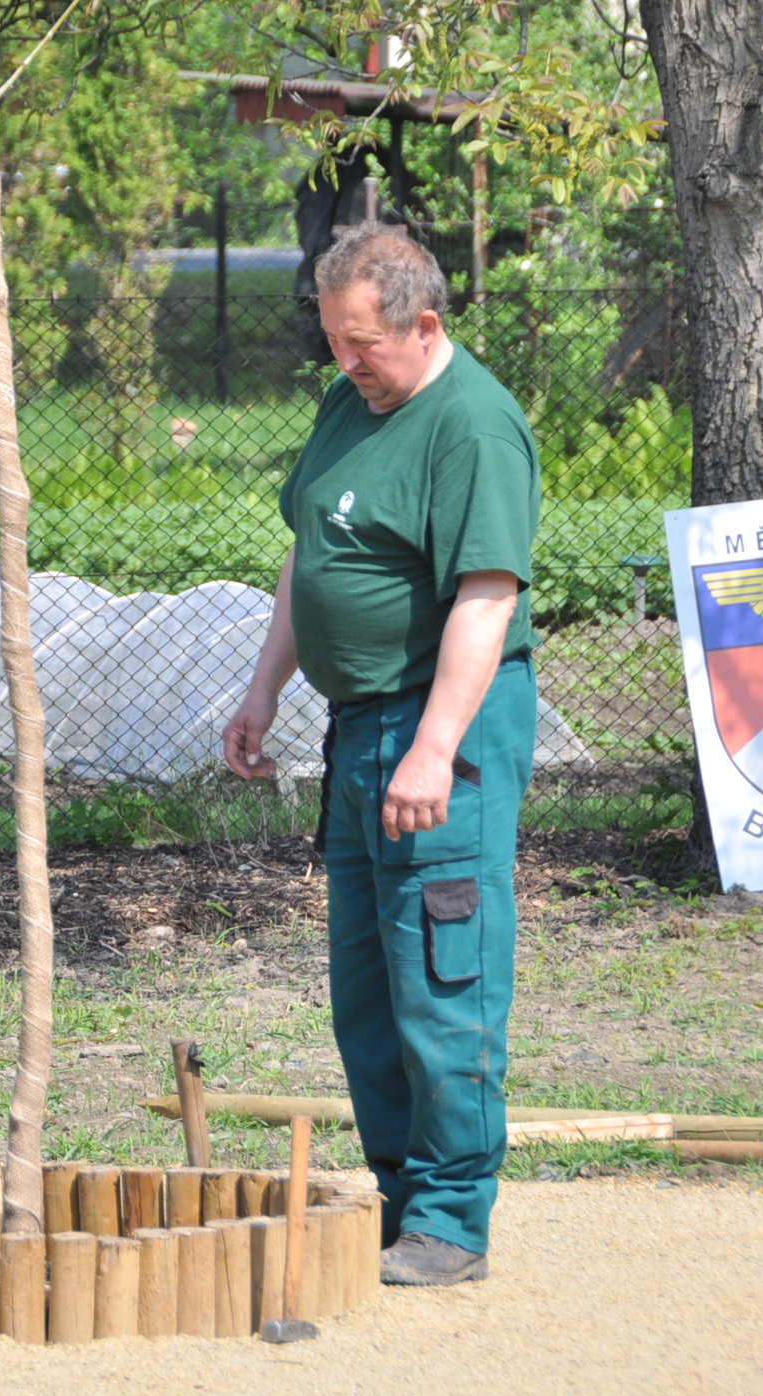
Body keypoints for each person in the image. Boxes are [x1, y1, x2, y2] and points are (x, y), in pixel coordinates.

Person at [223, 222, 539, 1288]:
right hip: (356, 726)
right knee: (364, 985)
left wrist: (434, 749)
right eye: (333, 340)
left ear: (424, 322)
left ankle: (451, 1215)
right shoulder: (348, 405)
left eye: (362, 343)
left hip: (437, 723)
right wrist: (264, 687)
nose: (344, 362)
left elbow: (485, 594)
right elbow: (310, 551)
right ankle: (402, 1197)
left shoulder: (473, 428)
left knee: (440, 977)